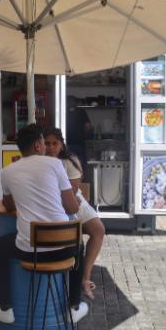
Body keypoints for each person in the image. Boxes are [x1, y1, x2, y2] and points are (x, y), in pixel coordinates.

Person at [0, 124, 89, 324]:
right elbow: (72, 208)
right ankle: (74, 306)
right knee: (79, 244)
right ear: (38, 146)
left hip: (30, 252)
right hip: (65, 248)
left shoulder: (7, 171)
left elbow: (8, 204)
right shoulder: (55, 165)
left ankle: (5, 308)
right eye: (43, 142)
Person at [44, 128, 106, 300]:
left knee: (98, 230)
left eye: (54, 143)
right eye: (47, 143)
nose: (50, 147)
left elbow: (72, 192)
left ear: (61, 144)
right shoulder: (38, 162)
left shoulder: (70, 162)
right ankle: (72, 283)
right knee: (74, 240)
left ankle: (85, 278)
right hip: (52, 203)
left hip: (71, 200)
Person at [65, 96, 92, 170]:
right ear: (75, 103)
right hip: (79, 143)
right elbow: (88, 126)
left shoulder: (63, 111)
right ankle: (80, 179)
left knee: (68, 166)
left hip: (67, 143)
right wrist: (84, 133)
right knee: (81, 165)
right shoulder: (81, 111)